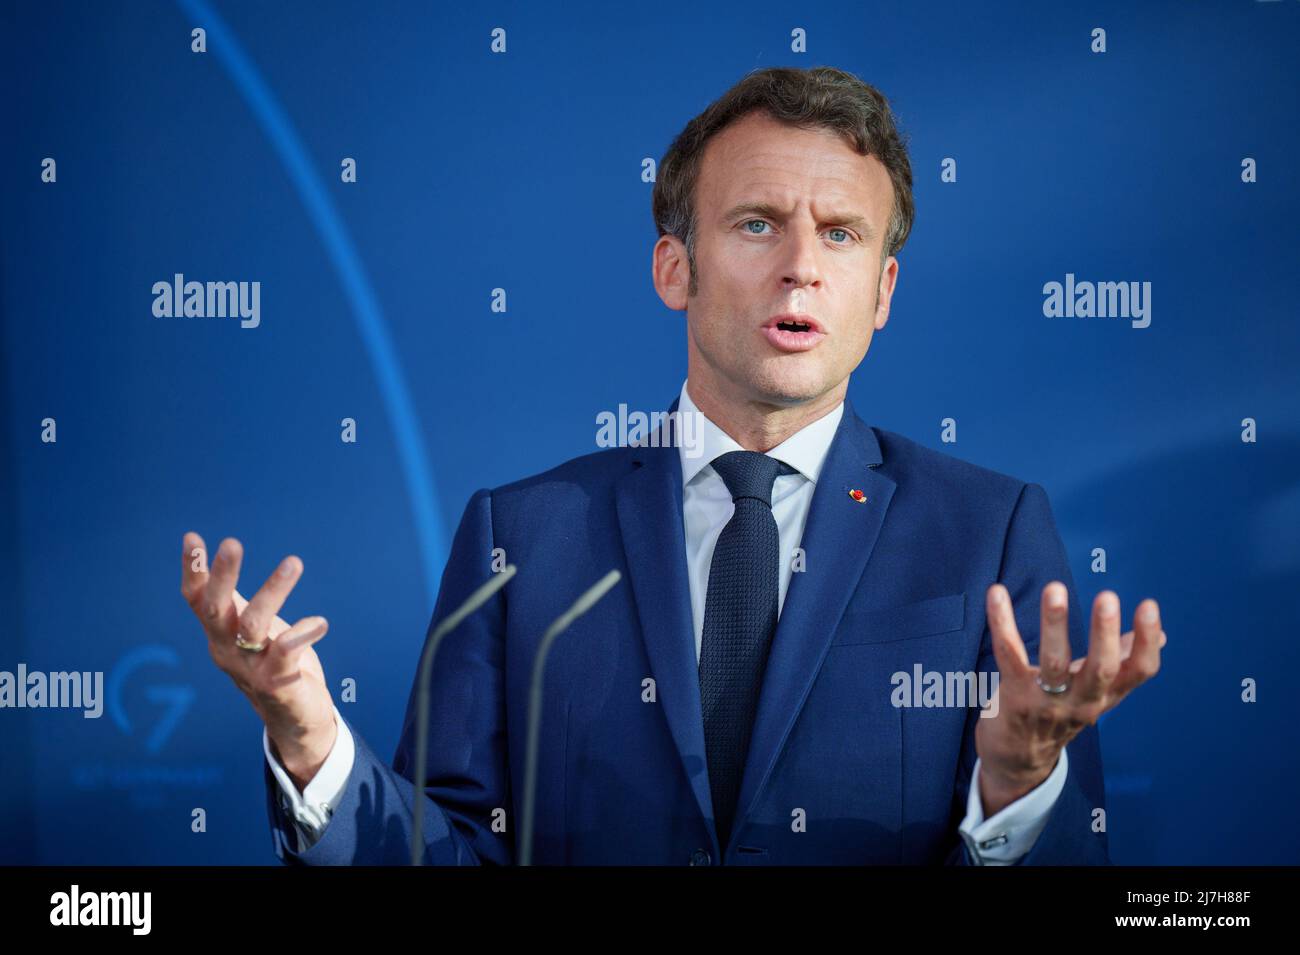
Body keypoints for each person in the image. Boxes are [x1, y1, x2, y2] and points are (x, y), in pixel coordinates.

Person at [180, 66, 1165, 865]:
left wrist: (1018, 787)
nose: (801, 265)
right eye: (757, 223)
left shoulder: (989, 531)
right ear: (673, 269)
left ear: (881, 292)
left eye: (840, 234)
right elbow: (451, 850)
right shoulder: (519, 534)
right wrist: (310, 743)